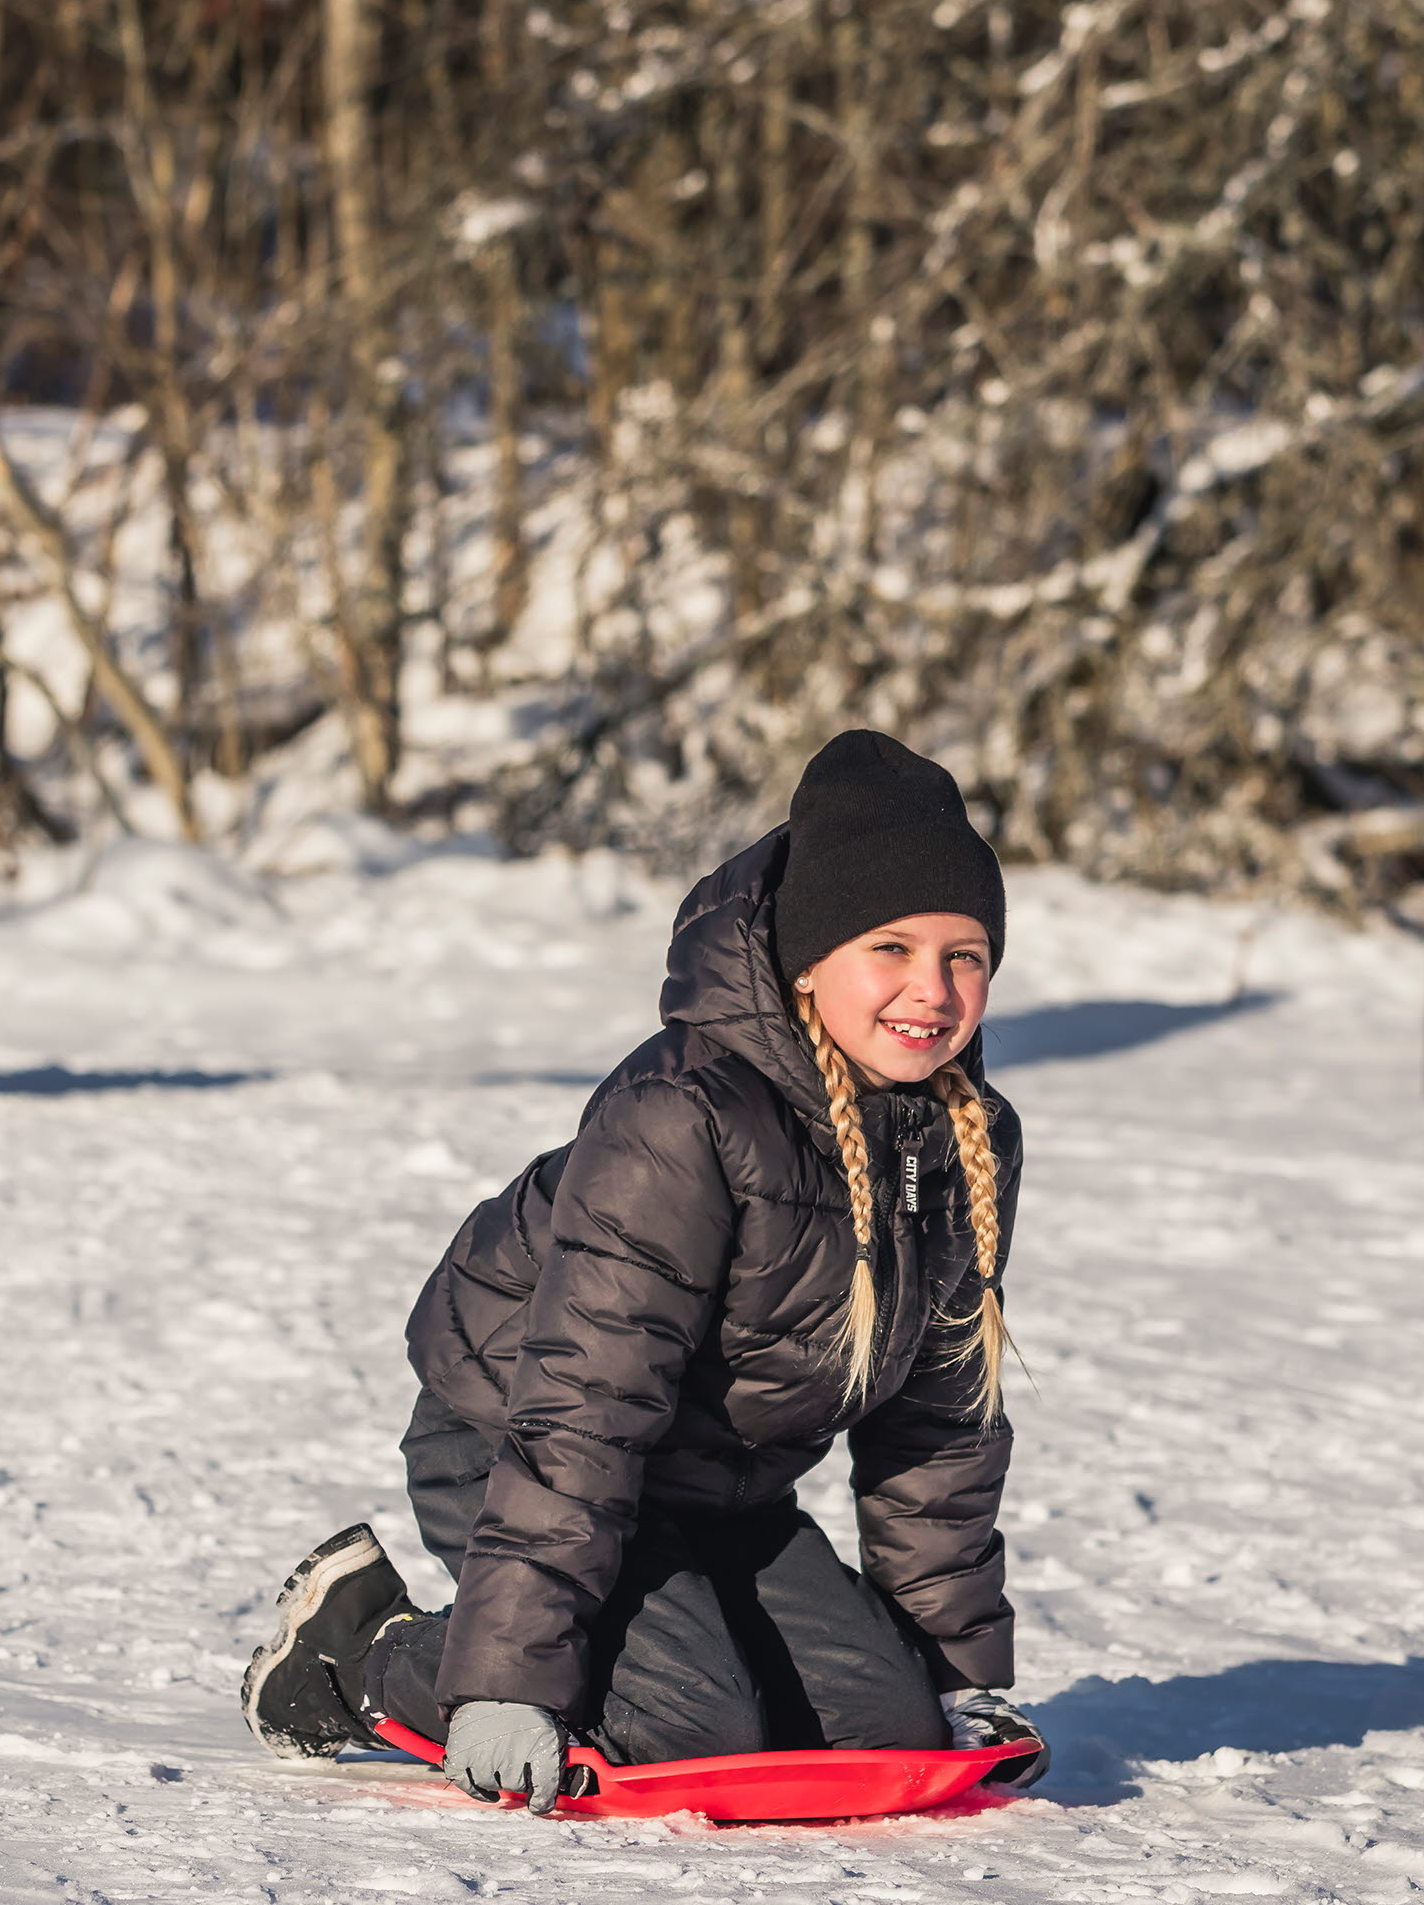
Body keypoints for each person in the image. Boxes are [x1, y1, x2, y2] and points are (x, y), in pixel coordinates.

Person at [241, 731, 1050, 1810]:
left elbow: (937, 1432)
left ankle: (695, 1642)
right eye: (890, 947)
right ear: (809, 959)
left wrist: (959, 1679)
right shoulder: (682, 1114)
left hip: (718, 1485)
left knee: (884, 1730)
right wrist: (507, 1680)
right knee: (684, 1727)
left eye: (965, 955)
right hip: (520, 1438)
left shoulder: (964, 1140)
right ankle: (357, 1651)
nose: (932, 989)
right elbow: (585, 1398)